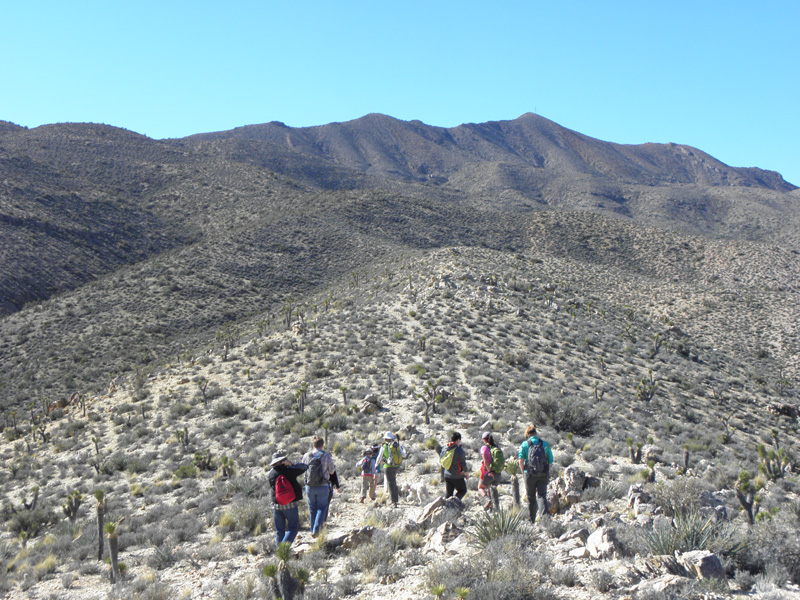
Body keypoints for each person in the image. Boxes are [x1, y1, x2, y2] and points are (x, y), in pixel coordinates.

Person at [267, 452, 308, 547]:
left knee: (279, 531)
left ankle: (279, 553)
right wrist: (292, 464)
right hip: (290, 504)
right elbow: (304, 467)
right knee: (293, 528)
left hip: (276, 505)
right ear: (281, 461)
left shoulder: (271, 473)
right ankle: (283, 550)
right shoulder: (288, 470)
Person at [302, 436, 338, 537]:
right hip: (323, 486)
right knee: (322, 508)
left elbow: (303, 469)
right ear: (322, 445)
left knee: (312, 508)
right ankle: (316, 530)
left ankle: (313, 529)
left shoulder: (306, 455)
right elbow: (332, 471)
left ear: (313, 445)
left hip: (309, 486)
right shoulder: (326, 456)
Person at [517, 424, 554, 524]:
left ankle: (531, 520)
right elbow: (550, 460)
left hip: (529, 474)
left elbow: (521, 460)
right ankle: (545, 520)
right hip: (543, 474)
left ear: (527, 434)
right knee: (542, 496)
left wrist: (523, 471)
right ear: (536, 433)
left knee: (531, 497)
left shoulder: (525, 444)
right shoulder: (544, 444)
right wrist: (545, 470)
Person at [440, 431, 469, 500]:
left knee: (449, 493)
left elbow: (441, 461)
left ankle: (447, 506)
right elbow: (463, 463)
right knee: (463, 490)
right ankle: (453, 502)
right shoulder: (459, 450)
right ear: (458, 440)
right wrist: (466, 473)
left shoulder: (444, 448)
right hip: (457, 476)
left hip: (446, 475)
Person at [478, 431, 502, 511]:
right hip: (498, 473)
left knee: (480, 487)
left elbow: (485, 462)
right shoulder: (498, 448)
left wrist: (489, 472)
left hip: (488, 473)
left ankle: (487, 500)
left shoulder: (484, 448)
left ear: (484, 440)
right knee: (492, 489)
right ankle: (494, 508)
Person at [379, 432, 403, 506]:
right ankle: (395, 499)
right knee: (394, 481)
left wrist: (376, 465)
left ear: (386, 439)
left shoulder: (384, 446)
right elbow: (403, 454)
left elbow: (380, 456)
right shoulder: (396, 445)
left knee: (390, 483)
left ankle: (393, 501)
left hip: (388, 466)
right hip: (396, 466)